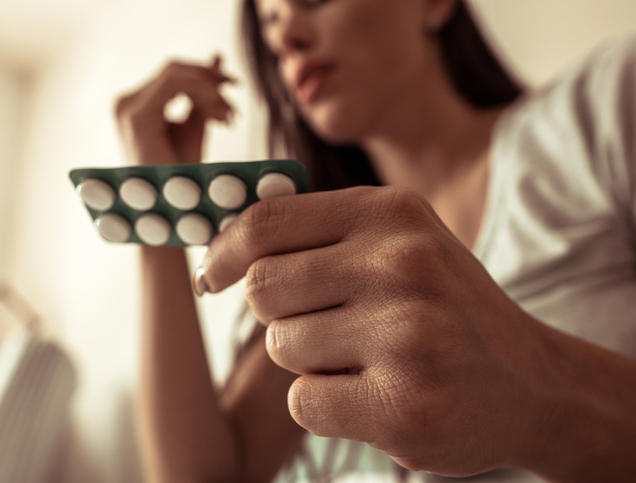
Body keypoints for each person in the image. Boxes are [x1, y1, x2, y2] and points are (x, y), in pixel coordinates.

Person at [114, 0, 636, 481]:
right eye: (270, 21)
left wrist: (538, 397)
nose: (285, 36)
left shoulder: (606, 105)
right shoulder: (321, 259)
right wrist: (156, 208)